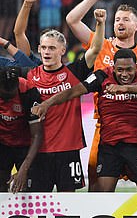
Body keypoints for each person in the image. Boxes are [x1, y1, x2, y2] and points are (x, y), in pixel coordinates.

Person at [65, 0, 137, 190]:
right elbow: (72, 20)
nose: (120, 23)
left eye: (126, 19)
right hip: (105, 130)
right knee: (97, 188)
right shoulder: (101, 45)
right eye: (117, 19)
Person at [32, 49, 137, 192]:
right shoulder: (101, 76)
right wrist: (47, 103)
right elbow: (73, 91)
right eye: (119, 70)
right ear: (113, 67)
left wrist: (125, 88)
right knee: (104, 196)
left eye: (129, 70)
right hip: (109, 147)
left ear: (136, 66)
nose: (124, 74)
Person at [25, 10, 105, 192]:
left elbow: (95, 50)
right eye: (44, 47)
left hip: (68, 150)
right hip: (39, 151)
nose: (47, 52)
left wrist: (100, 24)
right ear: (38, 49)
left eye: (52, 48)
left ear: (62, 51)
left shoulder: (74, 73)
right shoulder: (31, 75)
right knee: (37, 202)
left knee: (68, 203)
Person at [0, 66, 42, 193]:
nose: (8, 97)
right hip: (2, 144)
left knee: (25, 187)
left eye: (11, 94)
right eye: (4, 95)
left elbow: (37, 135)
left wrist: (23, 170)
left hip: (25, 144)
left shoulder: (29, 92)